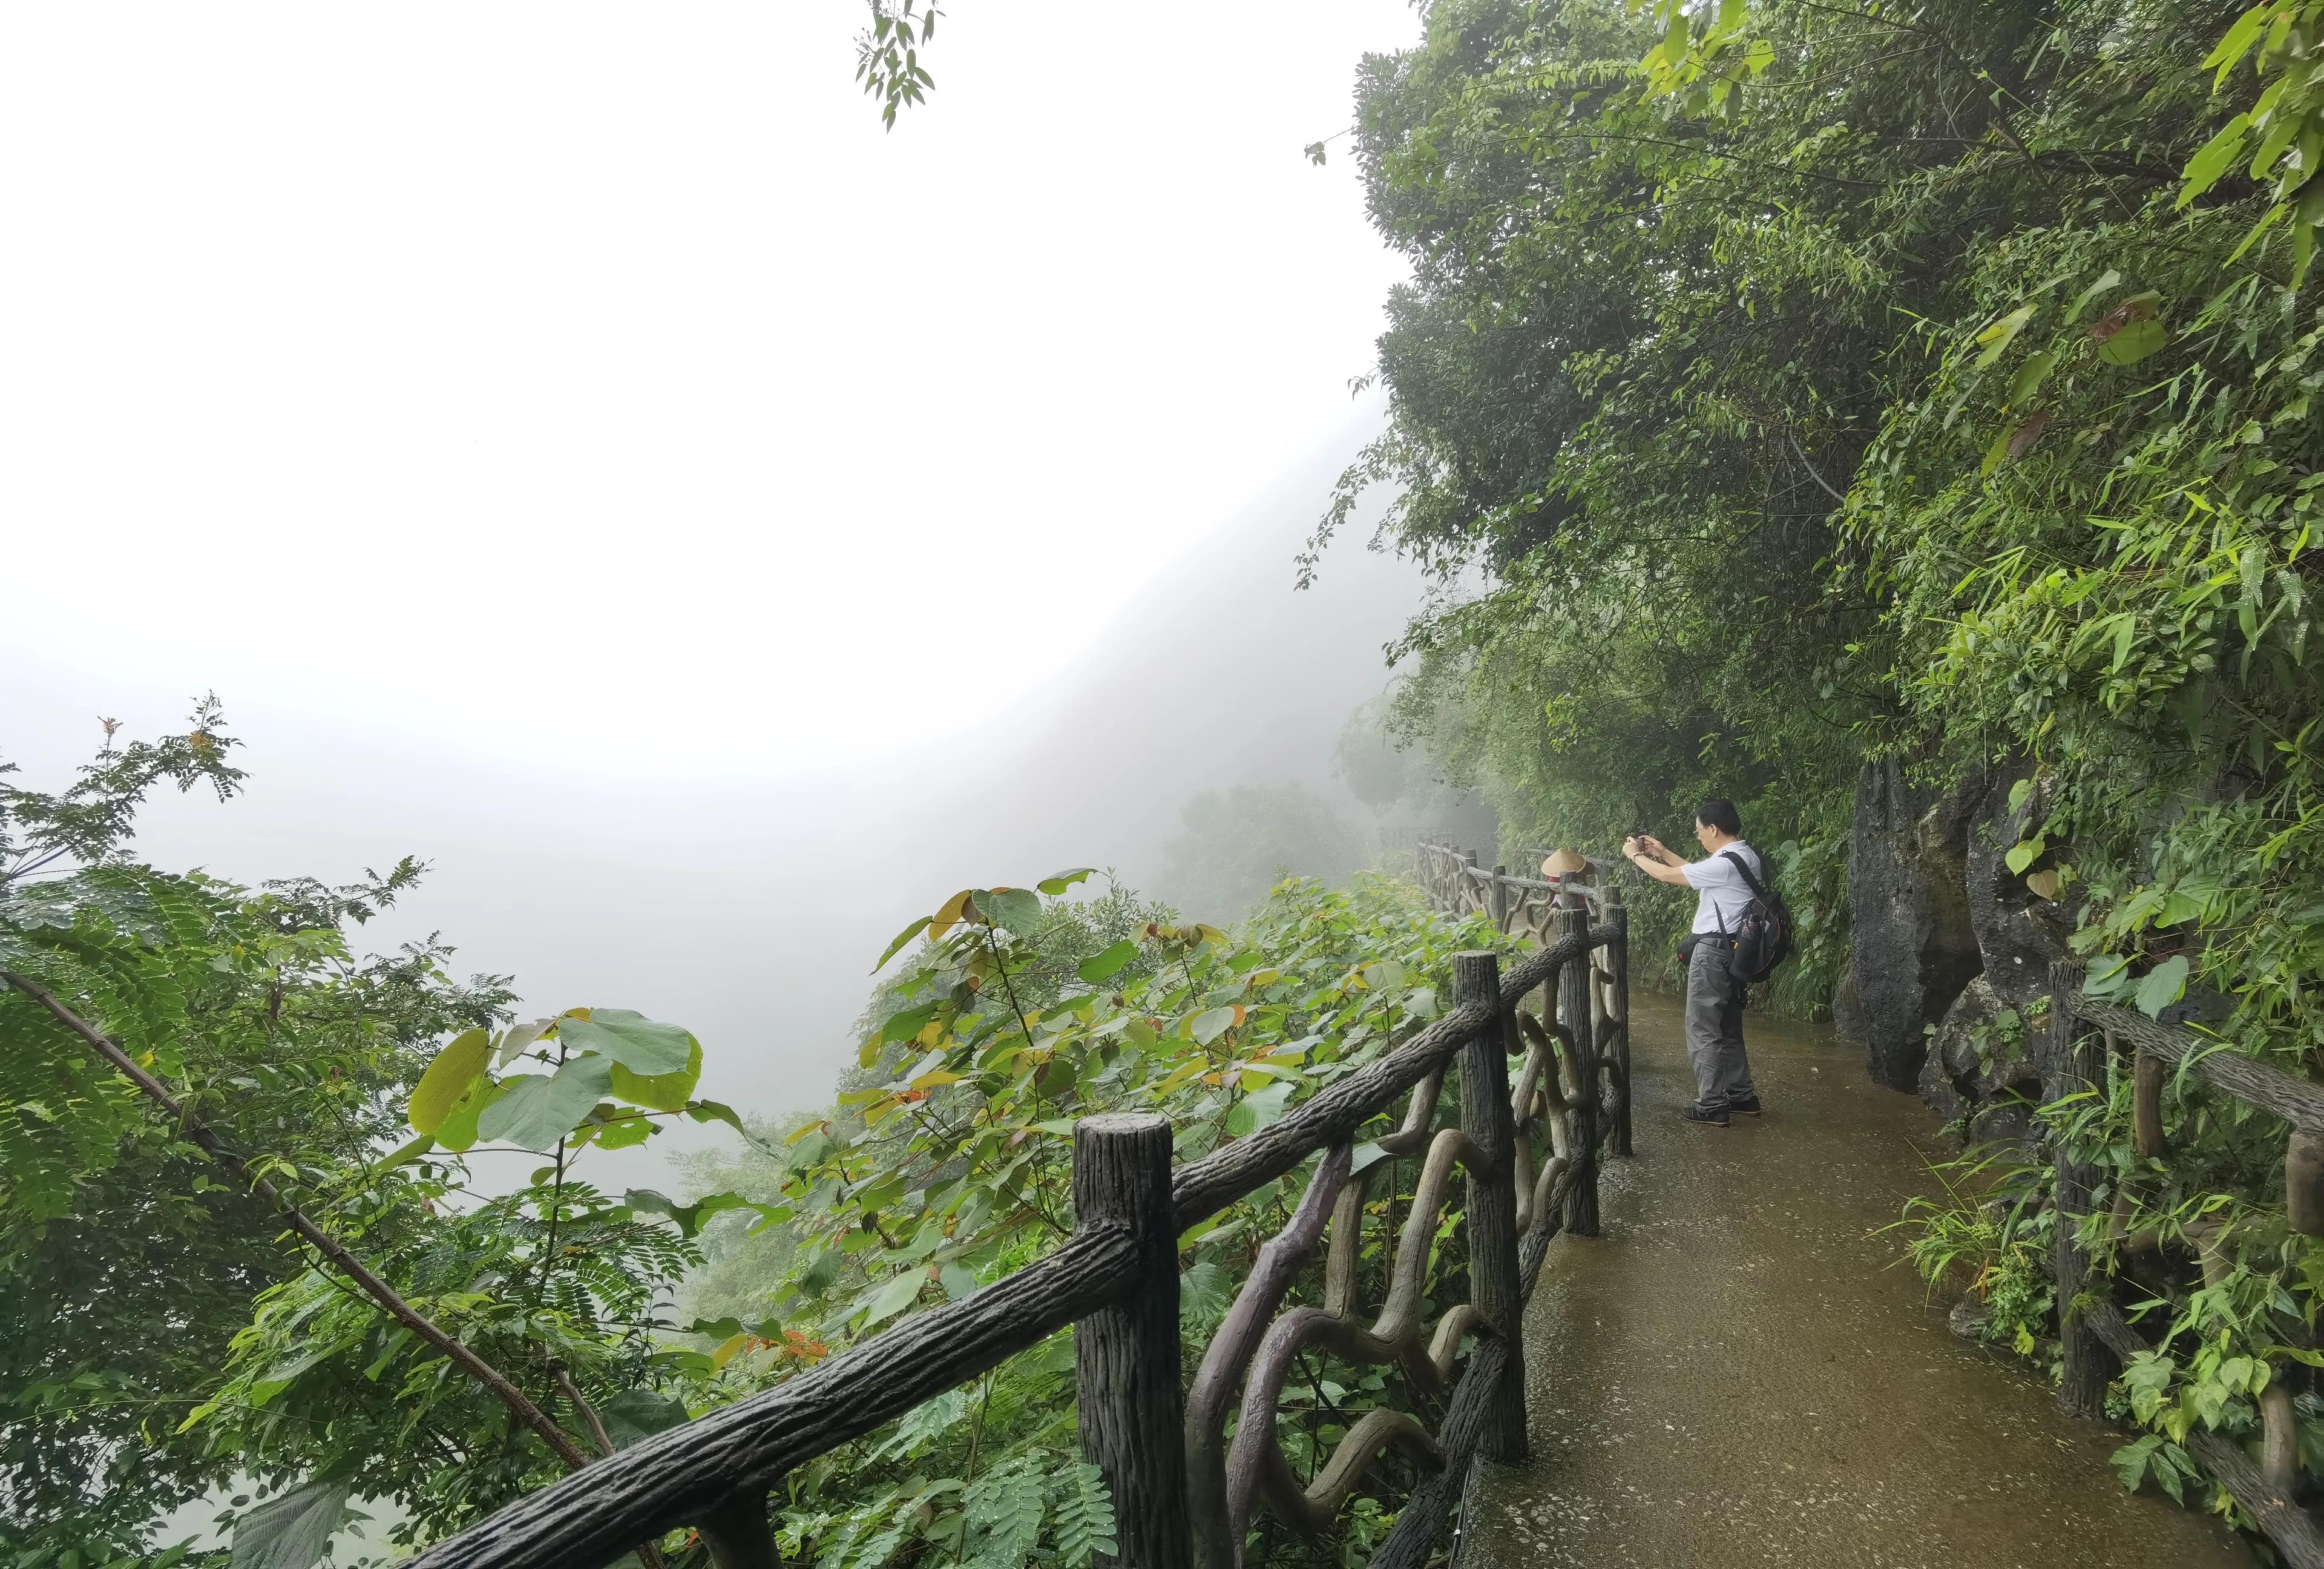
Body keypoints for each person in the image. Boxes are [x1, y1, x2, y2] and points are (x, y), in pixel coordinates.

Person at [1621, 800, 1764, 1128]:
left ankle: (1712, 1104)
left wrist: (1636, 855)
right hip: (1736, 952)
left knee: (1702, 1028)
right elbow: (1696, 874)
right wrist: (1663, 851)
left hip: (1713, 954)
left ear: (1713, 829)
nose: (1699, 837)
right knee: (1728, 1028)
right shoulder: (1745, 857)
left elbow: (1668, 877)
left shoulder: (1724, 864)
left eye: (1700, 831)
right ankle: (1742, 1096)